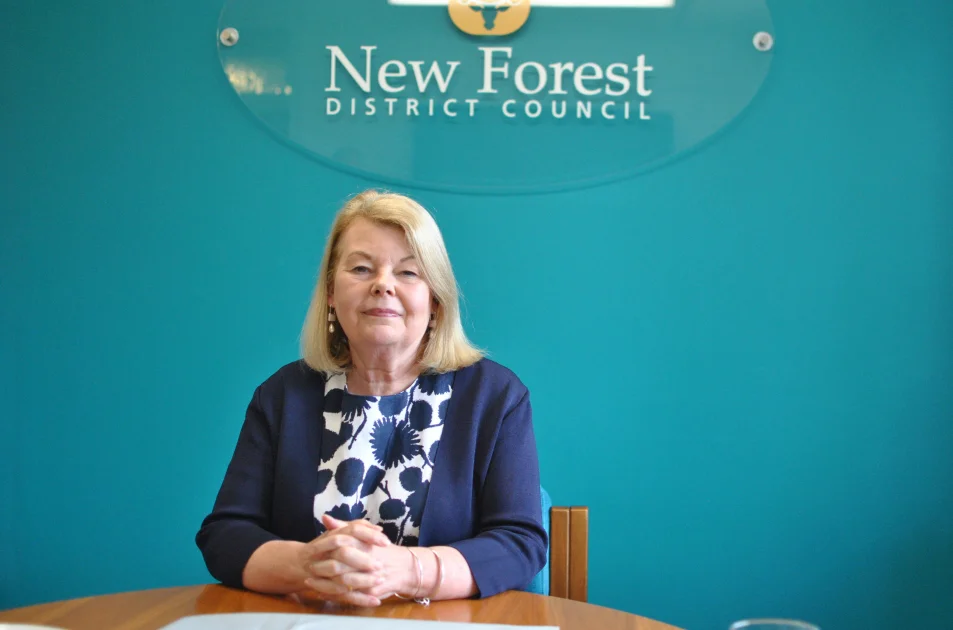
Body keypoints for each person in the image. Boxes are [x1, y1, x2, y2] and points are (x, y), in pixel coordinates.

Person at [195, 190, 546, 607]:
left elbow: (520, 542)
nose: (383, 285)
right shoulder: (282, 395)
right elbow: (225, 534)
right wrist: (307, 564)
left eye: (408, 272)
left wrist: (407, 570)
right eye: (361, 268)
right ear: (331, 291)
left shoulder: (495, 397)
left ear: (435, 299)